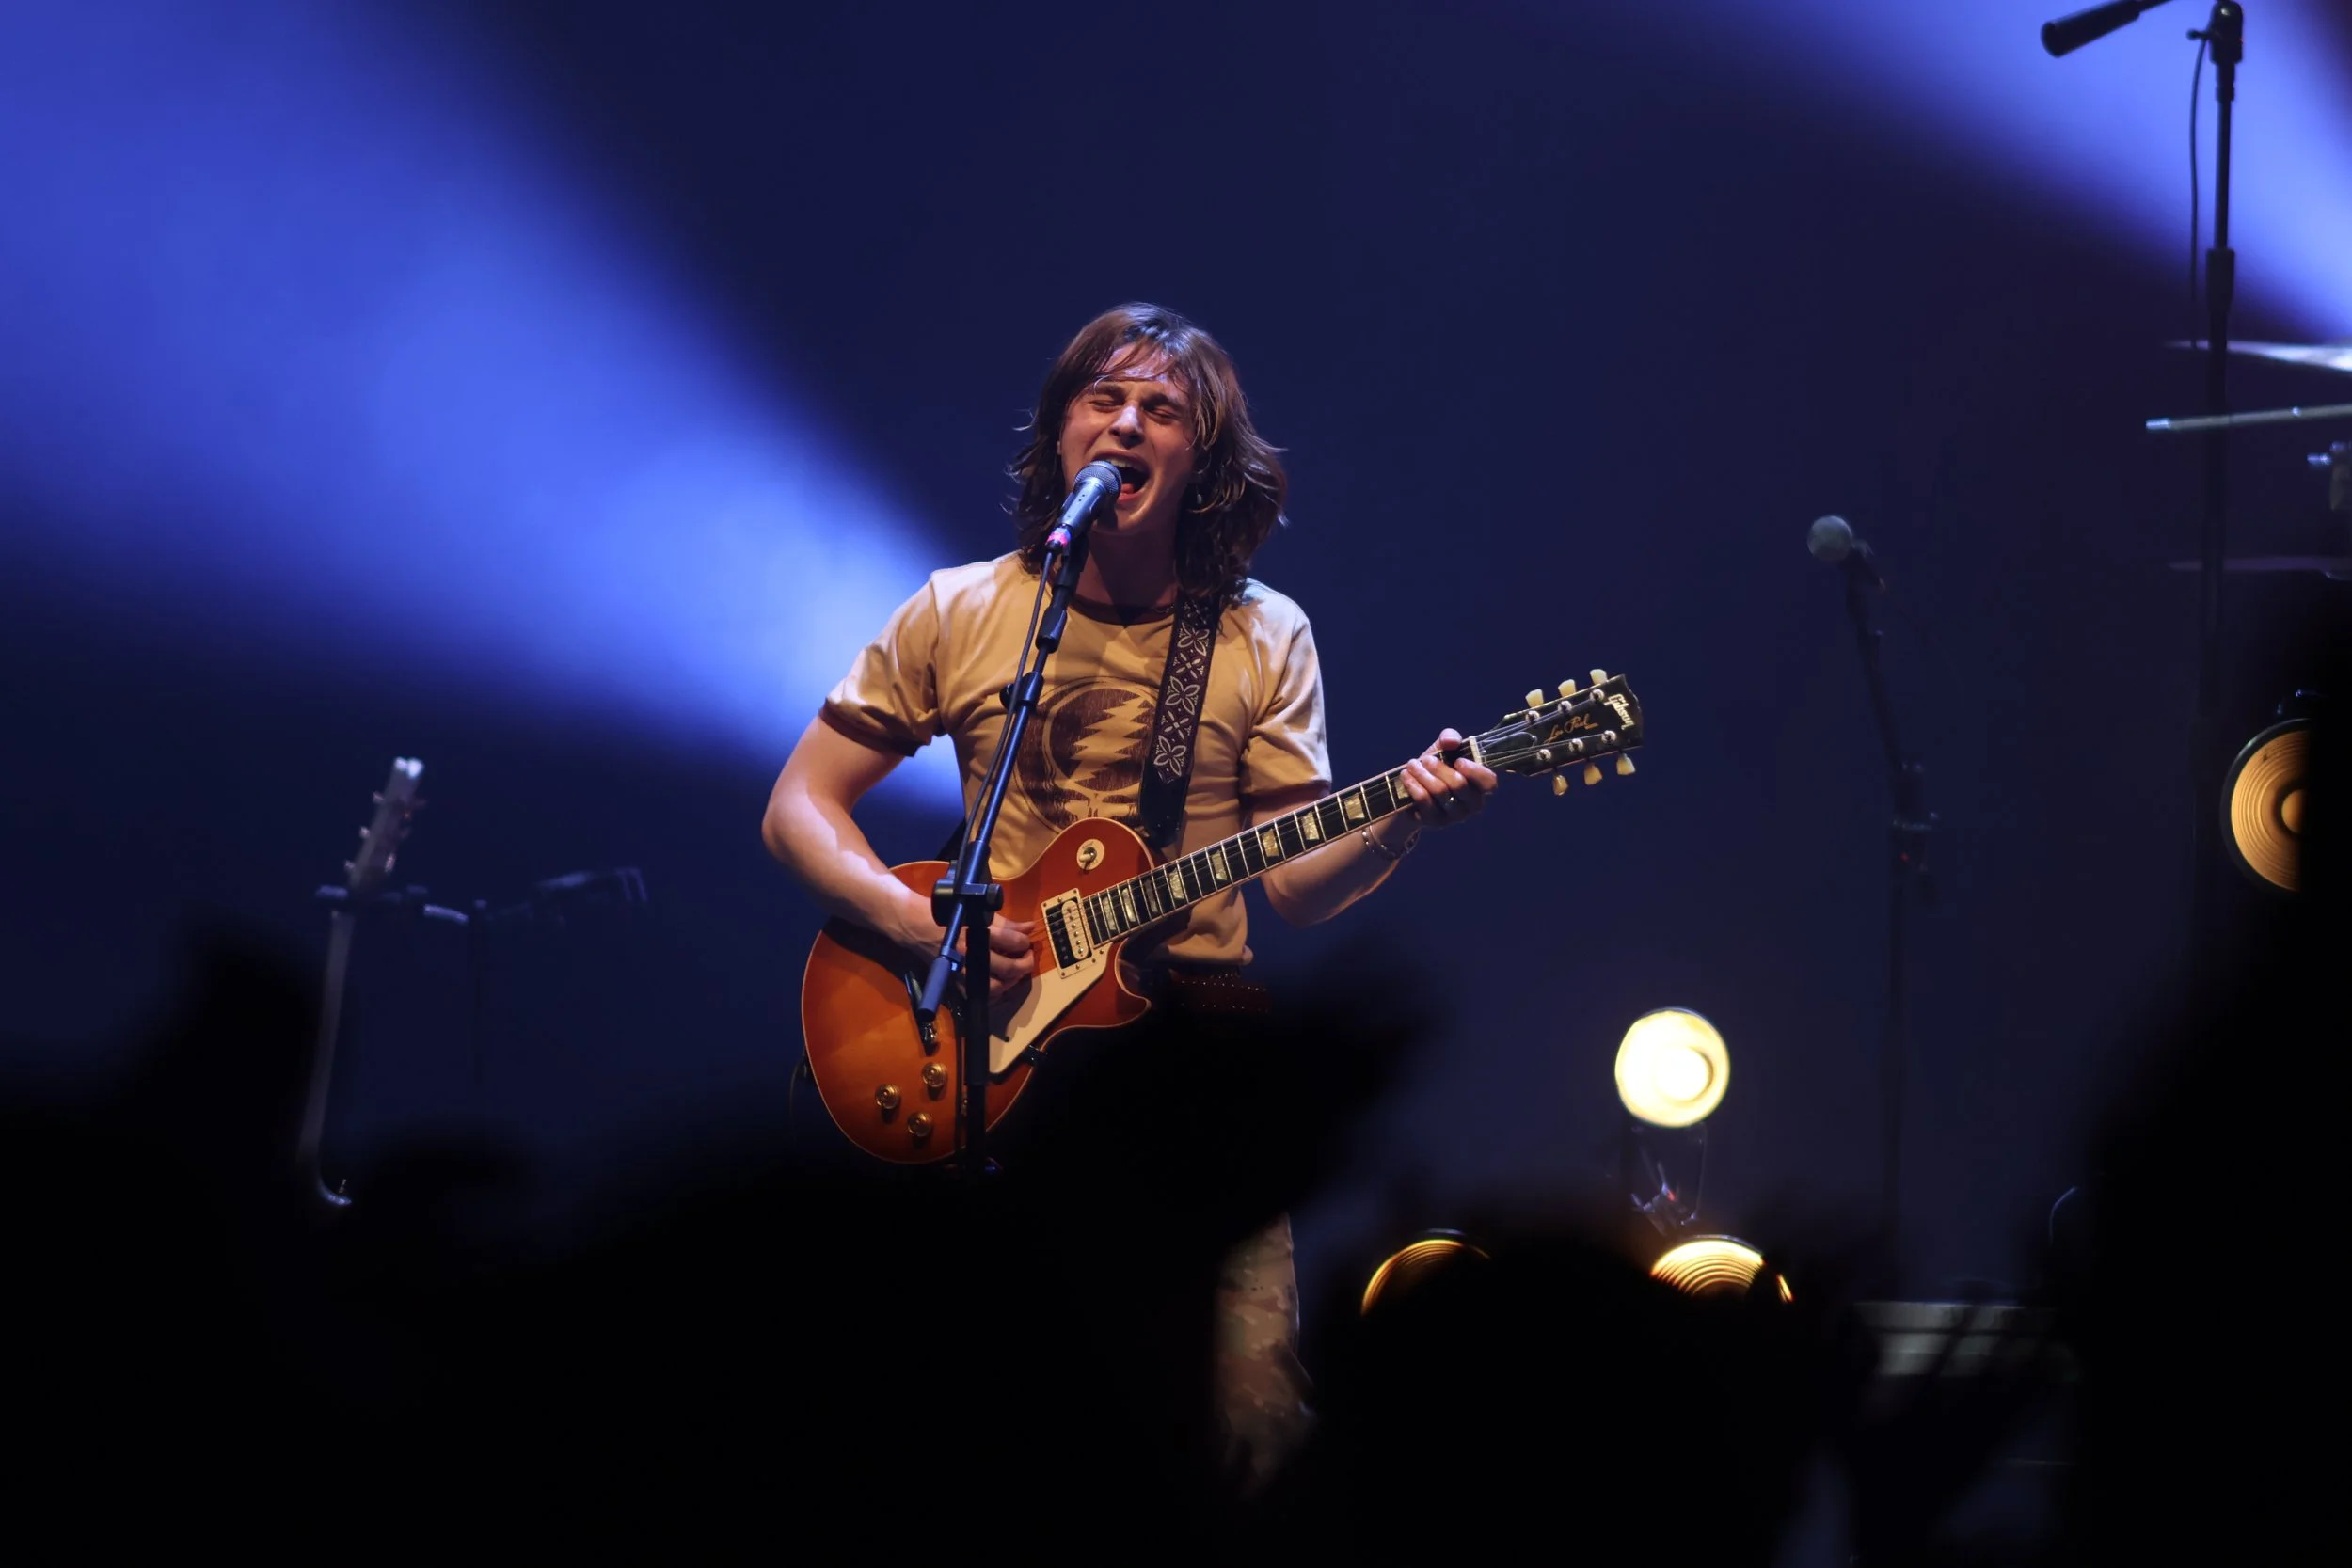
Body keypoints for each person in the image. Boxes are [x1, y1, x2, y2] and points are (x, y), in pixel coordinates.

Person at [761, 301, 1497, 1490]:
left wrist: (1402, 815)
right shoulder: (961, 607)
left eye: (1162, 409)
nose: (1126, 423)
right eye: (1102, 399)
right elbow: (799, 804)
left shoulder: (1263, 633)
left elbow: (1295, 886)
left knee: (1244, 1418)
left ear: (1201, 462)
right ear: (1059, 434)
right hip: (996, 1056)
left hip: (1195, 1059)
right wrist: (914, 919)